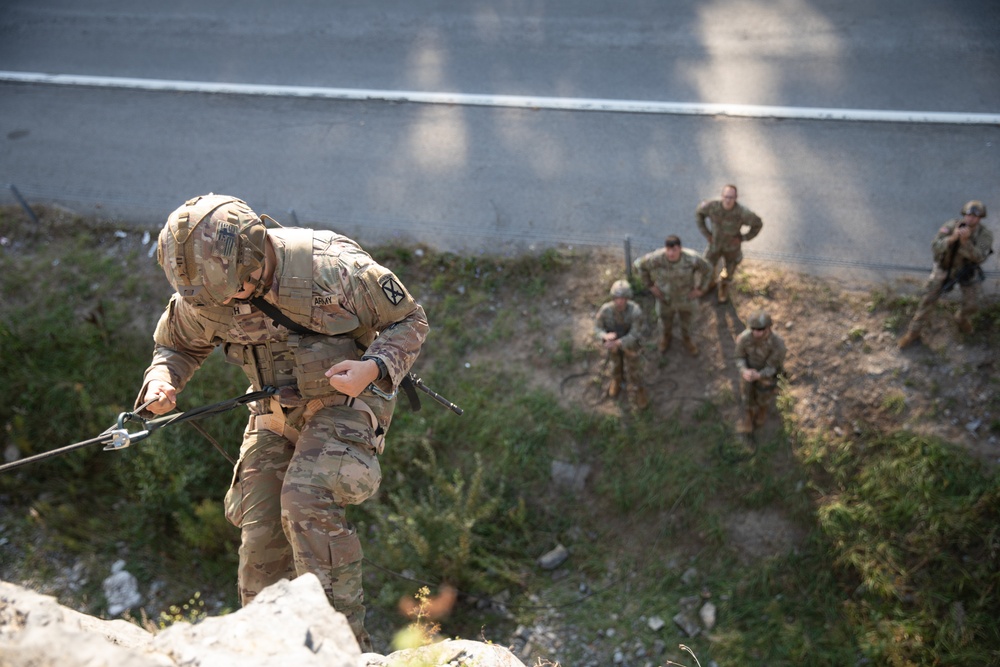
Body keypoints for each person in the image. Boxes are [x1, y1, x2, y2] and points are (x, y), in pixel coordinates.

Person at [135, 194, 428, 651]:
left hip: (347, 400)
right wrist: (162, 381)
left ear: (255, 256)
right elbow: (176, 346)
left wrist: (372, 368)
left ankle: (344, 649)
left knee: (304, 498)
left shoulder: (331, 269)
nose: (228, 303)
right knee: (260, 538)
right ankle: (273, 649)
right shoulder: (209, 290)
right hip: (273, 413)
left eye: (234, 289)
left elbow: (409, 320)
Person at [899, 200, 994, 348]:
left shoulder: (985, 236)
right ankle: (913, 333)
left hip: (966, 271)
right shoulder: (951, 226)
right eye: (968, 215)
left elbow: (980, 256)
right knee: (928, 300)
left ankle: (961, 318)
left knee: (972, 304)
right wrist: (952, 239)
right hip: (945, 267)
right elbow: (935, 246)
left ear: (980, 218)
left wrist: (965, 242)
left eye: (975, 217)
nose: (971, 219)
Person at [633, 235, 711, 356]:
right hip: (665, 299)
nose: (670, 253)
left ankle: (687, 339)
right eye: (668, 250)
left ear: (680, 248)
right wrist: (650, 286)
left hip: (687, 298)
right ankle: (666, 338)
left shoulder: (691, 258)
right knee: (664, 323)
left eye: (674, 250)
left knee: (688, 322)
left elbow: (708, 269)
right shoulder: (657, 258)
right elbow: (640, 266)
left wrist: (701, 289)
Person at [696, 184, 763, 304]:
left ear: (736, 198)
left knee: (729, 270)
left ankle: (723, 287)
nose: (728, 200)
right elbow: (699, 213)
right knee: (707, 265)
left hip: (732, 248)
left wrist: (744, 237)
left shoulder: (742, 213)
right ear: (722, 196)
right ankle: (709, 284)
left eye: (731, 197)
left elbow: (758, 223)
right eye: (726, 196)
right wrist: (707, 234)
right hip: (715, 244)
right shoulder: (712, 207)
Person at [594, 279, 649, 409]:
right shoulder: (606, 310)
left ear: (628, 298)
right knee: (615, 365)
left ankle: (639, 389)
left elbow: (635, 333)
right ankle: (617, 381)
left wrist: (619, 342)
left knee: (634, 369)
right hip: (613, 346)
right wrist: (604, 336)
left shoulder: (635, 311)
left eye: (623, 298)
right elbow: (597, 328)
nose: (619, 301)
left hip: (630, 345)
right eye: (617, 298)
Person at [734, 310, 786, 434]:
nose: (757, 332)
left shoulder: (778, 344)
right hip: (749, 372)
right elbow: (739, 357)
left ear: (768, 328)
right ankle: (748, 415)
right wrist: (744, 370)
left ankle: (762, 412)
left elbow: (773, 366)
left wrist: (759, 375)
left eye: (761, 329)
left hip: (767, 374)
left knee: (764, 396)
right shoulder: (744, 338)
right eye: (754, 329)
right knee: (746, 394)